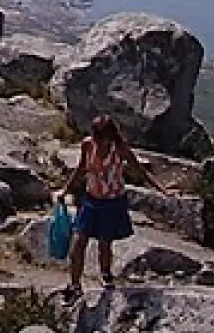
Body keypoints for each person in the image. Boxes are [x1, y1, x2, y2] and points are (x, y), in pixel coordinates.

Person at [59, 114, 167, 296]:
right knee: (79, 242)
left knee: (104, 241)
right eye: (96, 137)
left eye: (101, 137)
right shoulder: (87, 145)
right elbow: (81, 169)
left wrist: (162, 189)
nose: (98, 141)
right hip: (91, 198)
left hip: (112, 201)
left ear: (110, 136)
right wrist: (66, 190)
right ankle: (75, 285)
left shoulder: (119, 149)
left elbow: (139, 170)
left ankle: (106, 274)